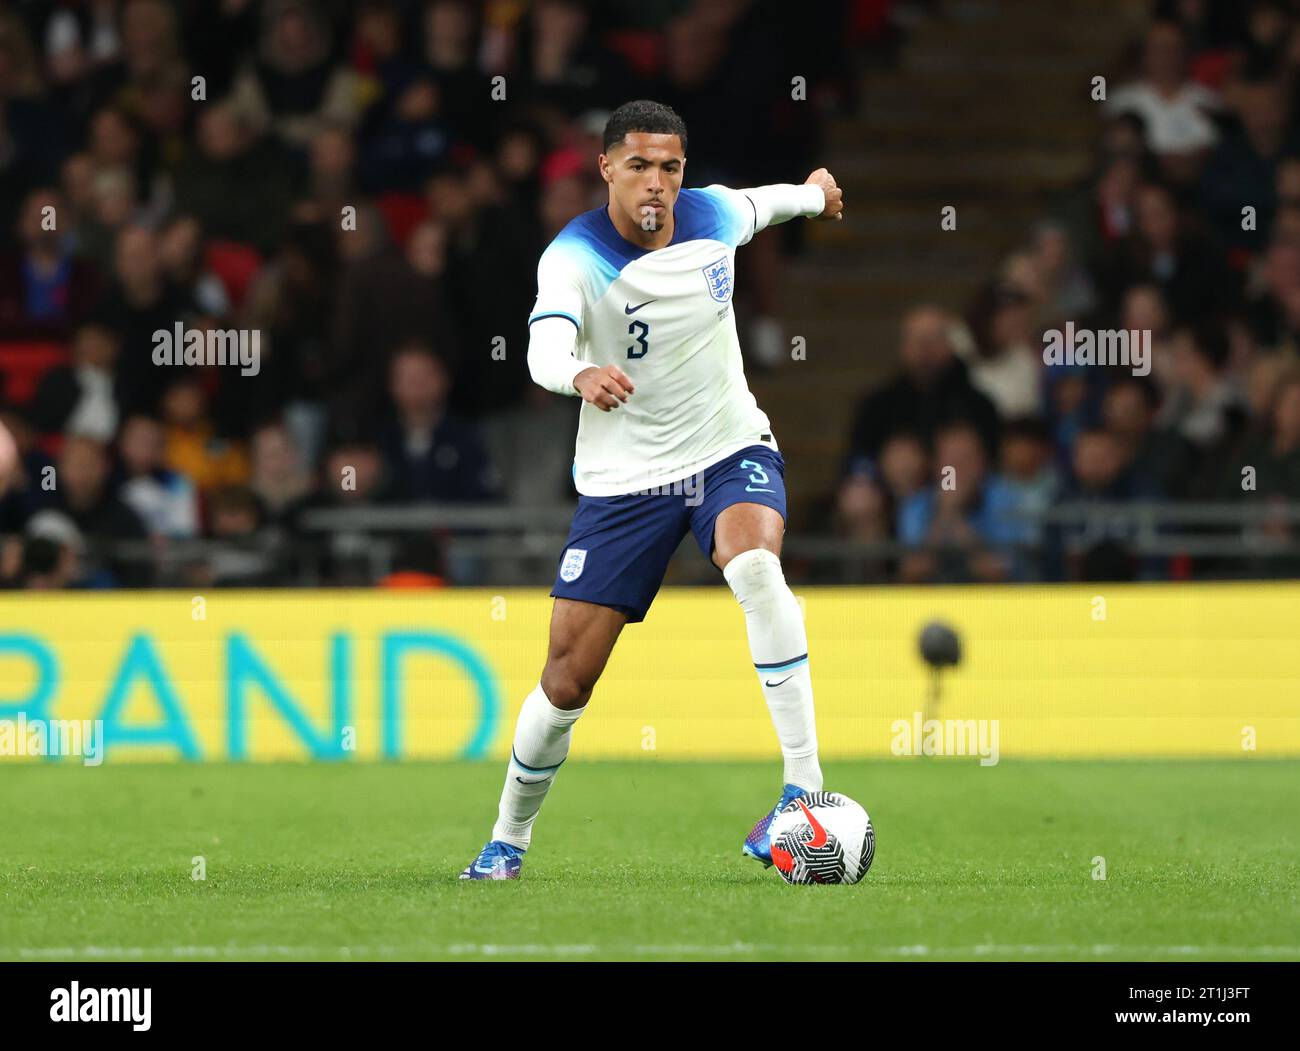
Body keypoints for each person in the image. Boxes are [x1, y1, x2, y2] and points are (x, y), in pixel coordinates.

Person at [460, 100, 844, 880]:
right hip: (625, 481)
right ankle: (508, 838)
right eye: (638, 165)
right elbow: (541, 348)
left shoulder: (712, 214)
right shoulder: (574, 256)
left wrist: (815, 193)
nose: (656, 184)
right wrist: (579, 373)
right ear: (606, 168)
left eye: (669, 167)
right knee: (567, 680)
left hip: (727, 444)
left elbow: (768, 203)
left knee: (755, 564)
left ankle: (804, 790)